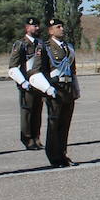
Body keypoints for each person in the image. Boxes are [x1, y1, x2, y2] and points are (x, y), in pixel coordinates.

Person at [28, 17, 79, 168]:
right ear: (50, 31)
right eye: (58, 27)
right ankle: (54, 157)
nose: (61, 29)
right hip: (55, 90)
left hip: (68, 89)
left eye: (62, 26)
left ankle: (63, 154)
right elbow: (35, 71)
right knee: (54, 124)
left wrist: (76, 88)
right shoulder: (44, 47)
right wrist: (47, 88)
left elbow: (72, 70)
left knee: (65, 125)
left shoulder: (68, 47)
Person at [7, 17, 45, 151]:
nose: (37, 28)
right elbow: (13, 66)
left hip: (39, 83)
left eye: (37, 25)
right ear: (27, 28)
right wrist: (22, 82)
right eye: (34, 26)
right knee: (27, 112)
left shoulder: (40, 44)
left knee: (37, 111)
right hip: (27, 83)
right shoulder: (21, 44)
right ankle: (28, 139)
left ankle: (36, 137)